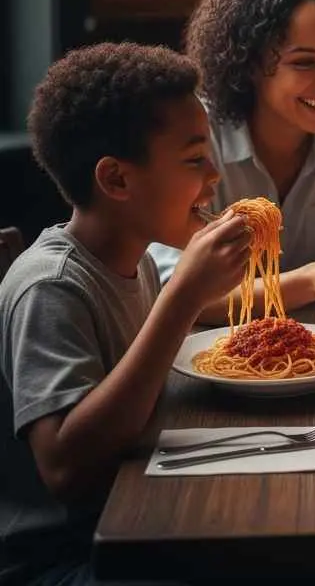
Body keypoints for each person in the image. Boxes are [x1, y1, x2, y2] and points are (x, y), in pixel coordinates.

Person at [0, 43, 253, 585]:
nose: (213, 176)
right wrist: (182, 299)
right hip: (67, 557)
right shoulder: (51, 286)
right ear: (116, 180)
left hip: (139, 509)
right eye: (193, 160)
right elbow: (68, 471)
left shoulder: (138, 264)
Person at [149, 0, 315, 322]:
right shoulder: (196, 136)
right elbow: (171, 292)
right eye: (304, 62)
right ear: (248, 65)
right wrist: (310, 281)